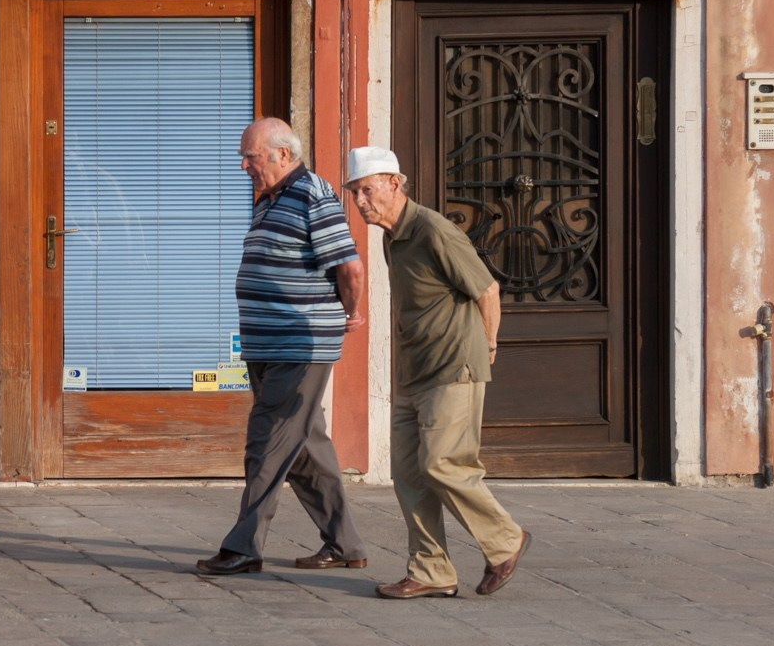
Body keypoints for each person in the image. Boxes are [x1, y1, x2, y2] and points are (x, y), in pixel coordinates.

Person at [340, 146, 531, 600]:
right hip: (415, 370)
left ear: (394, 183)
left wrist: (488, 345)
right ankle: (431, 571)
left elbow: (487, 290)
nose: (360, 201)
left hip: (453, 365)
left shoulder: (433, 230)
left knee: (443, 463)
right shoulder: (392, 238)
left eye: (366, 190)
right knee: (409, 473)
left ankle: (506, 539)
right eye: (354, 192)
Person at [195, 118, 369, 577]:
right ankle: (345, 544)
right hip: (269, 345)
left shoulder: (313, 194)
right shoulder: (269, 199)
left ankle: (243, 546)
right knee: (306, 447)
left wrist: (351, 313)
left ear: (283, 155)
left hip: (299, 346)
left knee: (267, 441)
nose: (243, 165)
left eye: (250, 156)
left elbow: (349, 267)